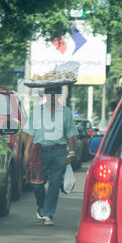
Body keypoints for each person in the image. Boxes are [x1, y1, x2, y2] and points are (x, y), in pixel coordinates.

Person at [23, 86, 78, 226]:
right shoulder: (37, 111)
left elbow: (71, 134)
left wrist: (71, 152)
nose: (52, 95)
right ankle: (41, 205)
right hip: (39, 151)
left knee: (54, 184)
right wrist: (26, 151)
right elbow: (30, 133)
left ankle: (48, 214)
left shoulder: (66, 112)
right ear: (45, 94)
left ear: (59, 95)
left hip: (59, 152)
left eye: (55, 92)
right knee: (36, 184)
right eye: (49, 92)